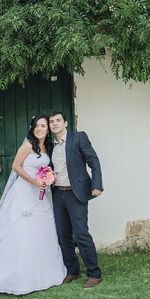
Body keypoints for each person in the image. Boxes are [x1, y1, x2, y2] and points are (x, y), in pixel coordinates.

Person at [0, 115, 66, 295]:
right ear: (32, 128)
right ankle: (14, 276)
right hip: (24, 193)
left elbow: (45, 167)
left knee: (41, 231)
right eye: (37, 126)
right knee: (20, 231)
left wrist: (47, 177)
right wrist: (34, 181)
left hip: (40, 196)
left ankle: (42, 273)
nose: (40, 129)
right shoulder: (28, 145)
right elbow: (16, 167)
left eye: (43, 126)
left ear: (48, 129)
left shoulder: (48, 146)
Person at [49, 110, 103, 289]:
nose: (54, 124)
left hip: (76, 193)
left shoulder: (78, 138)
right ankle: (72, 270)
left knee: (81, 234)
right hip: (58, 194)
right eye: (51, 122)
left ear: (65, 123)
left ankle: (94, 273)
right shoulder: (50, 146)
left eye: (58, 120)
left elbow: (93, 161)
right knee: (63, 235)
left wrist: (96, 185)